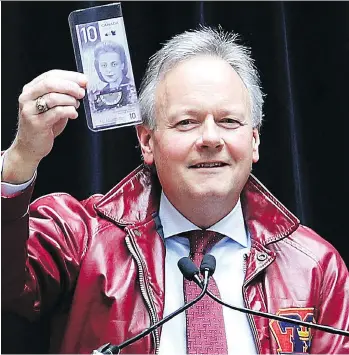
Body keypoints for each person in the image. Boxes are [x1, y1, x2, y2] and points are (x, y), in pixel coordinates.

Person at [1, 27, 349, 354]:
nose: (211, 139)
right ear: (147, 140)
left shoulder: (316, 266)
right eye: (187, 122)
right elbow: (9, 289)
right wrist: (20, 158)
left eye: (229, 121)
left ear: (254, 140)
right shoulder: (80, 234)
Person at [91, 41, 135, 111]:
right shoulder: (100, 93)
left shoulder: (133, 87)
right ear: (98, 68)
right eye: (104, 65)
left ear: (122, 65)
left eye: (114, 64)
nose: (109, 70)